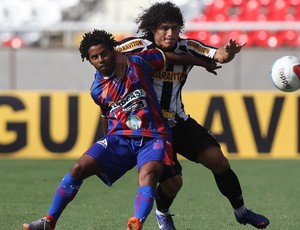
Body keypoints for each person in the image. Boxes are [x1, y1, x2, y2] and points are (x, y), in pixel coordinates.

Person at [22, 29, 218, 230]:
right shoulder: (97, 90)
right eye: (94, 57)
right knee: (78, 168)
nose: (101, 59)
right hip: (120, 138)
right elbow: (106, 114)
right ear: (88, 60)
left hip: (154, 136)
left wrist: (204, 63)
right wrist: (106, 141)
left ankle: (136, 223)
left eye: (104, 53)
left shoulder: (135, 62)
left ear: (112, 51)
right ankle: (49, 221)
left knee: (149, 176)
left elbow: (167, 56)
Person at [115, 2, 270, 230]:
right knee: (174, 184)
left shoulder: (187, 47)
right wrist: (117, 56)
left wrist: (228, 52)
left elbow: (217, 55)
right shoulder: (138, 46)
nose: (170, 34)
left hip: (179, 121)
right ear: (152, 28)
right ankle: (162, 213)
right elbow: (108, 50)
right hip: (153, 129)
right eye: (164, 28)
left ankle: (241, 211)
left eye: (175, 28)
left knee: (219, 161)